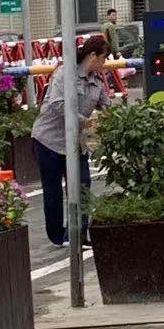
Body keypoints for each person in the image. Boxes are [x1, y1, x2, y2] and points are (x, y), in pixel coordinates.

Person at [32, 35, 112, 247]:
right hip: (49, 140)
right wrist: (84, 120)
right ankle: (58, 236)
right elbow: (57, 105)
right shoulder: (64, 74)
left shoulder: (96, 81)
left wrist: (116, 119)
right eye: (103, 58)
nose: (104, 63)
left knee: (82, 187)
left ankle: (78, 233)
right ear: (92, 56)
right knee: (53, 191)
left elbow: (106, 105)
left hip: (75, 144)